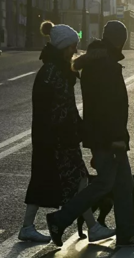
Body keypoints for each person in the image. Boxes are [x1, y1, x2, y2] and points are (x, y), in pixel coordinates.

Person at [46, 21, 134, 248]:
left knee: (123, 184)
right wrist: (117, 138)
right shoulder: (106, 66)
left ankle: (126, 234)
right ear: (118, 39)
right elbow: (110, 106)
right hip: (109, 136)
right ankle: (60, 219)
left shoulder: (97, 62)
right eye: (122, 37)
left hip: (102, 133)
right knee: (104, 184)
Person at [19, 24, 115, 243]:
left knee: (61, 180)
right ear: (63, 47)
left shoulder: (54, 69)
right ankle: (90, 227)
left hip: (53, 136)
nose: (75, 50)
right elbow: (61, 108)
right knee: (72, 179)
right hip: (57, 139)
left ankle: (89, 227)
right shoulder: (55, 72)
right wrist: (77, 129)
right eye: (72, 46)